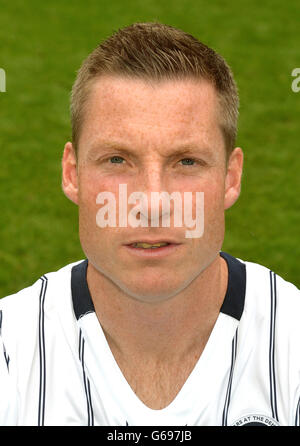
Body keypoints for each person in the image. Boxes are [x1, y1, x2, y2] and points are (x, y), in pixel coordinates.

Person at [0, 22, 299, 427]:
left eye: (186, 161)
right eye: (118, 160)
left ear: (231, 177)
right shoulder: (9, 352)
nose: (153, 203)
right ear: (72, 173)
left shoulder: (291, 345)